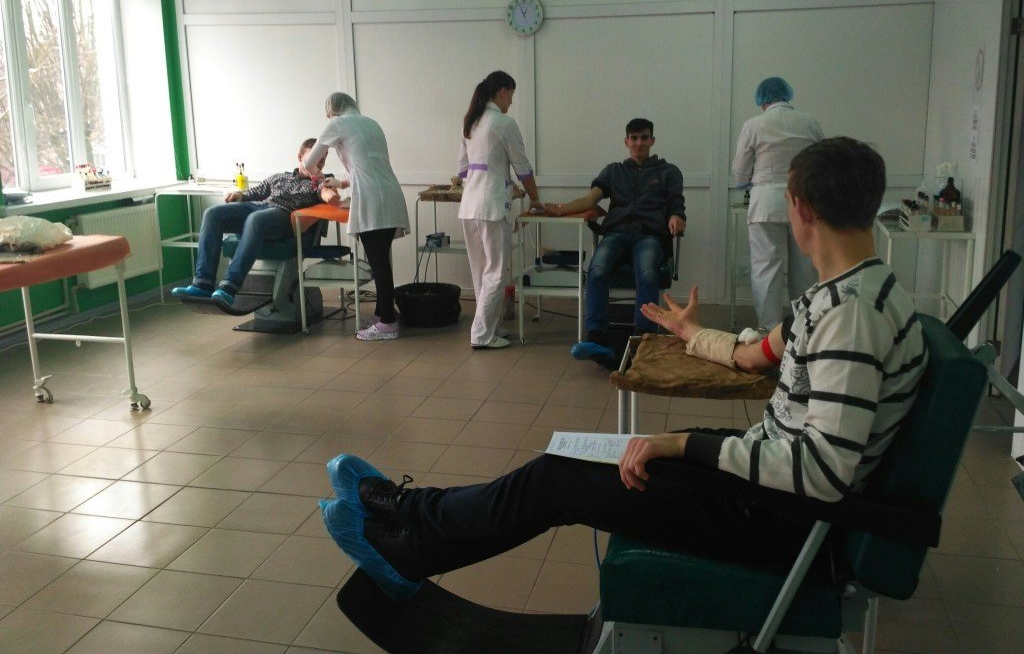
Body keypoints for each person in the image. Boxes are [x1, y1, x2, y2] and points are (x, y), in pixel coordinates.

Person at [318, 137, 928, 602]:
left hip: (777, 518)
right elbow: (754, 353)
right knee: (574, 458)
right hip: (762, 490)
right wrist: (690, 333)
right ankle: (411, 521)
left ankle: (409, 531)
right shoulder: (846, 295)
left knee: (559, 479)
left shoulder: (851, 316)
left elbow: (821, 473)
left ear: (799, 208)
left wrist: (681, 443)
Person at [547, 118, 685, 365]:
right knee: (597, 271)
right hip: (616, 233)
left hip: (649, 235)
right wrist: (560, 209)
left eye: (644, 138)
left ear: (652, 140)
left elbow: (677, 204)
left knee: (647, 273)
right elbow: (589, 201)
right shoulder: (614, 171)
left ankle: (644, 339)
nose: (639, 143)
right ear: (626, 141)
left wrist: (677, 216)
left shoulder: (668, 172)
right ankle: (597, 337)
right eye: (634, 138)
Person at [171, 138, 339, 307]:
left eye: (322, 160)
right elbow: (257, 192)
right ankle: (202, 284)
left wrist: (329, 195)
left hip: (283, 215)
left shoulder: (320, 182)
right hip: (256, 207)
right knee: (212, 214)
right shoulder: (279, 177)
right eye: (314, 158)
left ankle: (229, 287)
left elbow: (325, 191)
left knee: (255, 219)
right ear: (300, 157)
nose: (318, 163)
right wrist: (240, 195)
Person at [302, 92, 411, 341]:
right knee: (381, 260)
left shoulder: (338, 123)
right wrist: (340, 182)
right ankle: (383, 313)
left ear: (332, 111)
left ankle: (387, 323)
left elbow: (308, 163)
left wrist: (318, 175)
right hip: (389, 192)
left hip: (372, 198)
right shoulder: (371, 124)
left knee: (378, 262)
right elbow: (367, 166)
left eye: (328, 115)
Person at [457, 71, 541, 350]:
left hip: (469, 206)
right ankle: (481, 335)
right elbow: (523, 167)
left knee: (481, 271)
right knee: (496, 272)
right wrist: (535, 199)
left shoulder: (471, 122)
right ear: (503, 92)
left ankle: (491, 327)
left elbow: (463, 170)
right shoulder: (504, 123)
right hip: (492, 207)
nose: (511, 102)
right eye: (511, 95)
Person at [733, 77, 824, 330]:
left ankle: (768, 331)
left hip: (766, 206)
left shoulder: (754, 125)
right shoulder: (809, 123)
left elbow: (740, 175)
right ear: (787, 95)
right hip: (804, 204)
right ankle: (804, 329)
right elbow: (824, 164)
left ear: (762, 101)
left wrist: (751, 180)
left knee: (766, 270)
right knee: (805, 271)